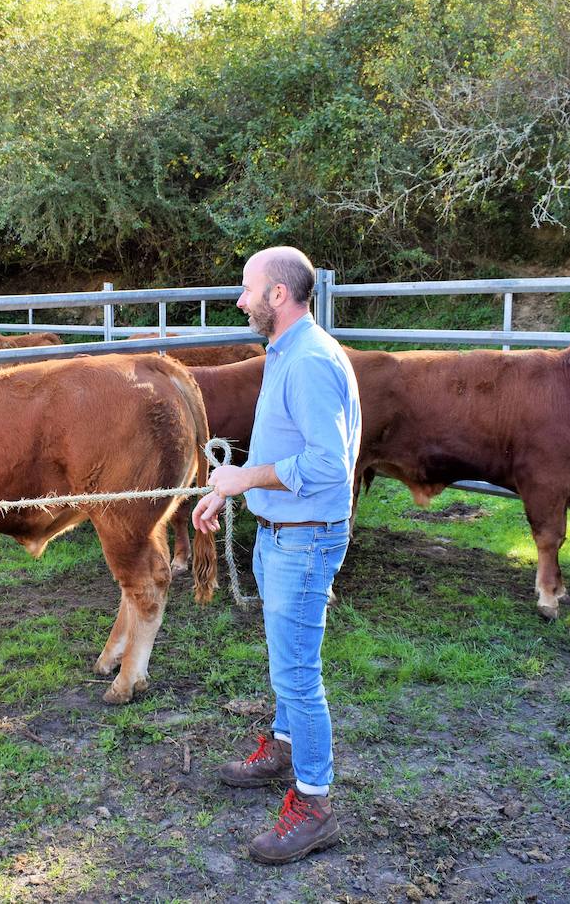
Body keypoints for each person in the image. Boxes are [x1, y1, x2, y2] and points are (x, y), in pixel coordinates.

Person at [191, 246, 362, 865]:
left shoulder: (311, 361)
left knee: (297, 672)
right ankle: (287, 747)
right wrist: (227, 490)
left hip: (305, 537)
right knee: (287, 659)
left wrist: (241, 480)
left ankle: (314, 804)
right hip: (281, 531)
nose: (240, 300)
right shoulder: (287, 353)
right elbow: (285, 449)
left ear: (279, 296)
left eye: (246, 289)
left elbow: (326, 464)